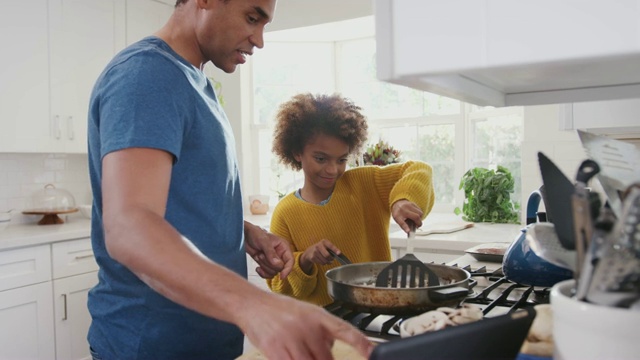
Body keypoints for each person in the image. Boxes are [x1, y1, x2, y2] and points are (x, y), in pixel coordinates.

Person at [86, 1, 373, 359]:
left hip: (207, 341)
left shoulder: (196, 83)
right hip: (153, 345)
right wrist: (257, 305)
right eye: (252, 18)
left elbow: (179, 201)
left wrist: (243, 232)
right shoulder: (146, 75)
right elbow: (130, 225)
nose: (260, 40)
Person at [266, 93, 435, 306]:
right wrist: (306, 259)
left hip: (380, 309)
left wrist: (403, 199)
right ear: (297, 152)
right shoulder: (285, 212)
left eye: (342, 159)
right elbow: (280, 285)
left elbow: (419, 169)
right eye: (321, 158)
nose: (332, 169)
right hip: (322, 324)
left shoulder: (365, 183)